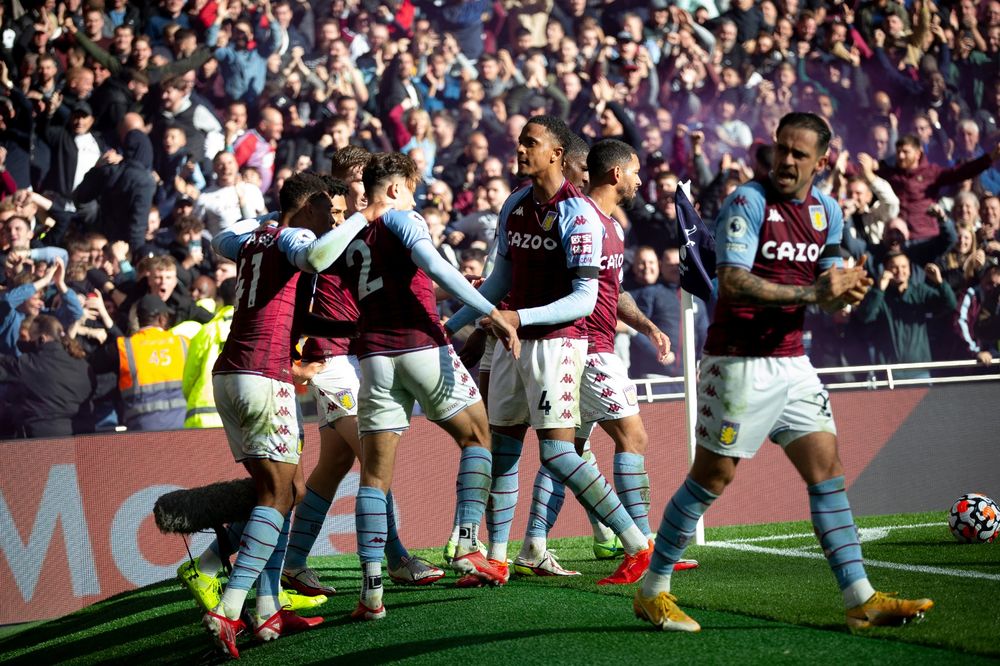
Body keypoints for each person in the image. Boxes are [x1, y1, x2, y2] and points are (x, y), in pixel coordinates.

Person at [634, 112, 932, 632]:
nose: (786, 162)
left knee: (827, 471)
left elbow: (827, 279)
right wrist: (812, 294)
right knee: (713, 477)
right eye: (781, 150)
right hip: (738, 362)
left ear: (822, 161)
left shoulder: (828, 212)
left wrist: (845, 294)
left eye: (799, 154)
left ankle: (860, 597)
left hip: (793, 362)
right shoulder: (749, 202)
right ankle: (653, 589)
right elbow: (731, 281)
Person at [445, 115, 654, 586]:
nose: (521, 150)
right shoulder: (515, 204)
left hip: (560, 345)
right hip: (511, 344)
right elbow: (501, 279)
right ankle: (496, 558)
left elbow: (585, 296)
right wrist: (451, 324)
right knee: (503, 450)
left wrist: (521, 317)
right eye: (520, 142)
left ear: (557, 154)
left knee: (559, 454)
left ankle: (637, 545)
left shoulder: (578, 214)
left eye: (531, 143)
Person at [327, 152, 519, 621]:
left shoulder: (348, 236)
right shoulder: (403, 217)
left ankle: (372, 593)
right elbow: (435, 268)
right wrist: (489, 311)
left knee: (374, 476)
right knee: (477, 436)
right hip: (420, 345)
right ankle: (468, 543)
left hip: (373, 358)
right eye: (411, 188)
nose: (415, 198)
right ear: (393, 189)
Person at [198, 172, 369, 658]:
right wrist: (363, 217)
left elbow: (219, 239)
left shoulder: (253, 238)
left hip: (232, 374)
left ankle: (267, 608)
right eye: (330, 210)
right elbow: (312, 254)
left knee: (286, 490)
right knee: (277, 495)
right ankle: (228, 603)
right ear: (311, 205)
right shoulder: (297, 237)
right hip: (263, 373)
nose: (332, 220)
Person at [515, 139, 691, 573]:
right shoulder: (581, 219)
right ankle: (644, 545)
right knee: (633, 439)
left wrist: (647, 326)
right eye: (634, 171)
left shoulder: (613, 225)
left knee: (566, 450)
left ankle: (534, 546)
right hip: (586, 350)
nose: (639, 179)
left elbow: (614, 290)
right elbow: (573, 289)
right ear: (615, 174)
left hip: (594, 346)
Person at [282, 161, 444, 598]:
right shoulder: (321, 242)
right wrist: (293, 357)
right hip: (328, 365)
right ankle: (396, 559)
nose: (363, 198)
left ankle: (294, 562)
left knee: (334, 464)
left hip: (347, 359)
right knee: (375, 461)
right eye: (356, 186)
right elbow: (295, 310)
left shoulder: (357, 235)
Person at [855, 252, 957, 378]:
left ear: (910, 270)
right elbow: (865, 316)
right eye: (894, 267)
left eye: (904, 267)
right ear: (886, 270)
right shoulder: (879, 295)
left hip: (919, 371)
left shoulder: (920, 291)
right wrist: (879, 289)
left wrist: (940, 283)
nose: (900, 271)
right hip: (888, 373)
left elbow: (950, 305)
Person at [0, 314, 94, 438]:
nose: (25, 343)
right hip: (80, 443)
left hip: (40, 444)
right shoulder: (84, 366)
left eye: (30, 338)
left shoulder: (29, 365)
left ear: (42, 339)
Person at [117, 293, 188, 431]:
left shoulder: (125, 347)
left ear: (138, 319)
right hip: (182, 426)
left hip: (143, 429)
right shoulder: (183, 343)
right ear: (163, 319)